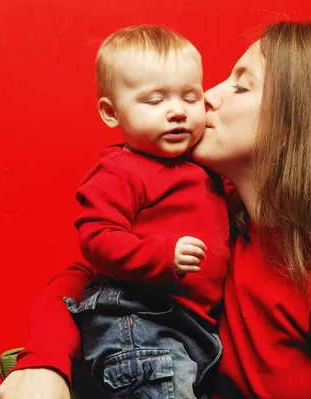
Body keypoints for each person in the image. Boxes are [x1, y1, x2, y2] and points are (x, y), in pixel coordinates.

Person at [0, 21, 311, 399]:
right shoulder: (222, 211)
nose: (207, 96)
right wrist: (44, 363)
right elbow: (86, 277)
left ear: (299, 124)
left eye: (241, 87)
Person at [66, 25, 230, 398]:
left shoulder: (204, 165)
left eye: (190, 98)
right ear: (111, 113)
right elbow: (96, 236)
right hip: (138, 319)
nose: (177, 112)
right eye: (154, 101)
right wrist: (160, 253)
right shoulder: (120, 170)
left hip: (191, 326)